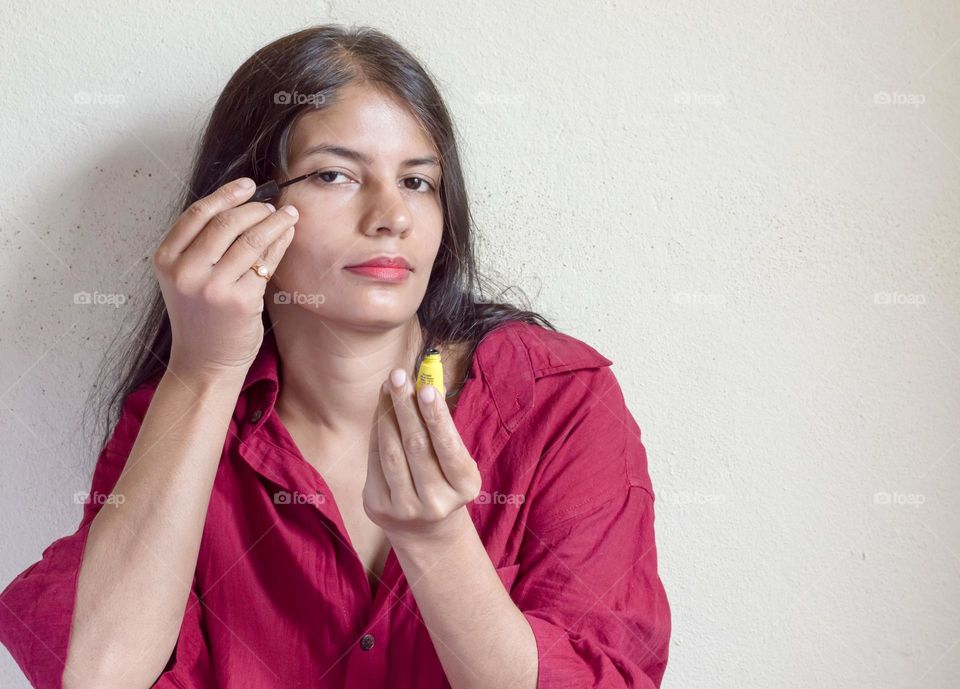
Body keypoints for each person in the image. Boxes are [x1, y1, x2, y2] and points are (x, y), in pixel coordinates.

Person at [0, 24, 670, 689]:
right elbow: (98, 675)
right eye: (335, 174)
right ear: (245, 206)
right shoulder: (182, 415)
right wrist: (203, 370)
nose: (390, 216)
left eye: (416, 181)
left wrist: (439, 544)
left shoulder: (557, 400)